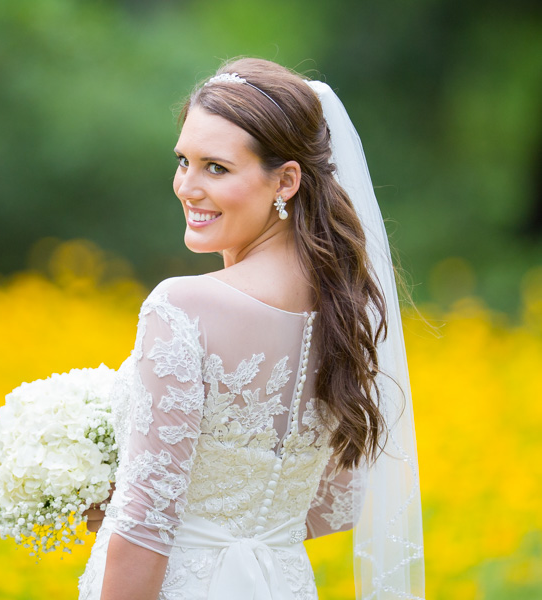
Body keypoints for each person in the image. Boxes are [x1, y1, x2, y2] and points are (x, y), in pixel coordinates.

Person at [77, 58, 424, 600]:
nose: (187, 187)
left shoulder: (182, 307)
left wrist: (161, 515)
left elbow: (145, 528)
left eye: (216, 168)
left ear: (285, 180)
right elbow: (339, 501)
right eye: (184, 161)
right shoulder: (345, 309)